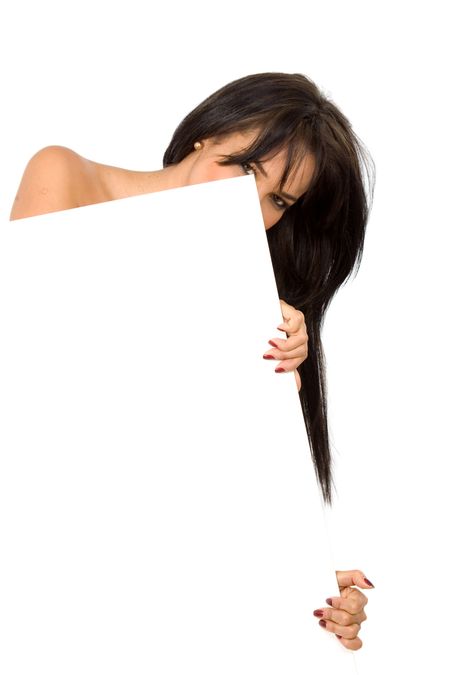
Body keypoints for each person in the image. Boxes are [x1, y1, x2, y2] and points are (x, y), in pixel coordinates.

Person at [10, 71, 375, 650]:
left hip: (152, 605)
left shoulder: (257, 299)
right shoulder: (65, 174)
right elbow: (47, 390)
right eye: (245, 167)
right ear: (207, 131)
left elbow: (192, 479)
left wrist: (302, 584)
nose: (249, 207)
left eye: (278, 200)